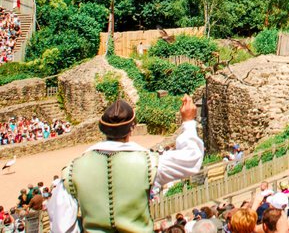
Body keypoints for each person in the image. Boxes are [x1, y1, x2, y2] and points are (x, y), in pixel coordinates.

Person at [48, 96, 204, 233]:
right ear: (132, 128)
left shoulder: (73, 170)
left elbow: (62, 227)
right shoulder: (149, 163)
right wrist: (188, 122)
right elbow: (191, 159)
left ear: (103, 129)